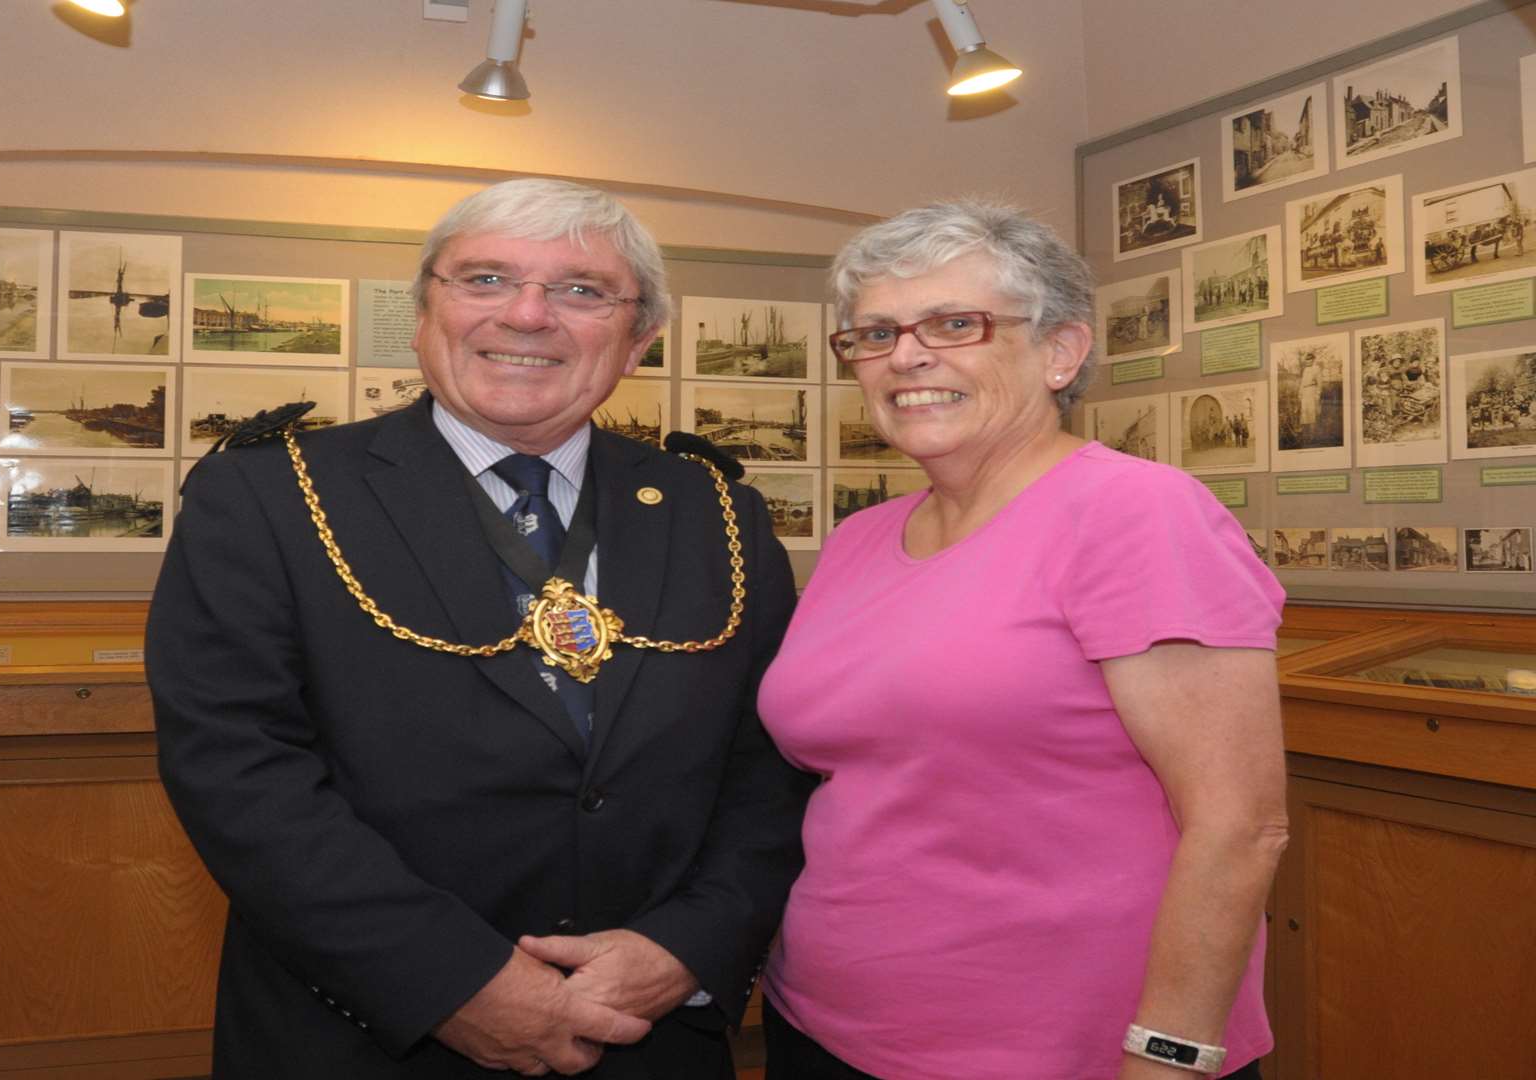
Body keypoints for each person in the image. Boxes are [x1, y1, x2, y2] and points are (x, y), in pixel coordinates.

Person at [148, 178, 810, 1079]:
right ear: (424, 312)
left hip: (646, 1031)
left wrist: (686, 947)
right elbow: (238, 771)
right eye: (485, 279)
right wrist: (454, 982)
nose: (529, 315)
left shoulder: (716, 511)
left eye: (582, 289)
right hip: (374, 1032)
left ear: (640, 336)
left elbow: (771, 767)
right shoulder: (269, 495)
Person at [756, 201, 1287, 1080]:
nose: (907, 355)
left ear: (1061, 352)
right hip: (822, 1020)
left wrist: (1171, 1055)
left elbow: (1241, 825)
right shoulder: (859, 539)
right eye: (875, 333)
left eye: (955, 324)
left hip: (1060, 1047)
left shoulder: (1135, 512)